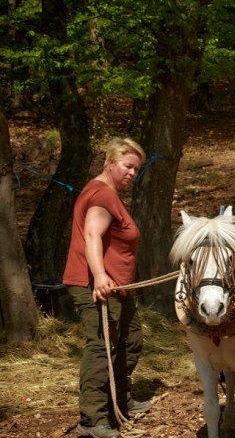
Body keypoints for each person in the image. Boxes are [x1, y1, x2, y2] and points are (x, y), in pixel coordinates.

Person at [63, 137, 152, 438]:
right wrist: (100, 276)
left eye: (136, 170)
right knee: (101, 347)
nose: (132, 173)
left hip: (117, 286)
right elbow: (91, 235)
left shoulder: (107, 192)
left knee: (131, 338)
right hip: (97, 285)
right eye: (128, 166)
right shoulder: (101, 194)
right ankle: (92, 419)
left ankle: (120, 400)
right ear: (110, 162)